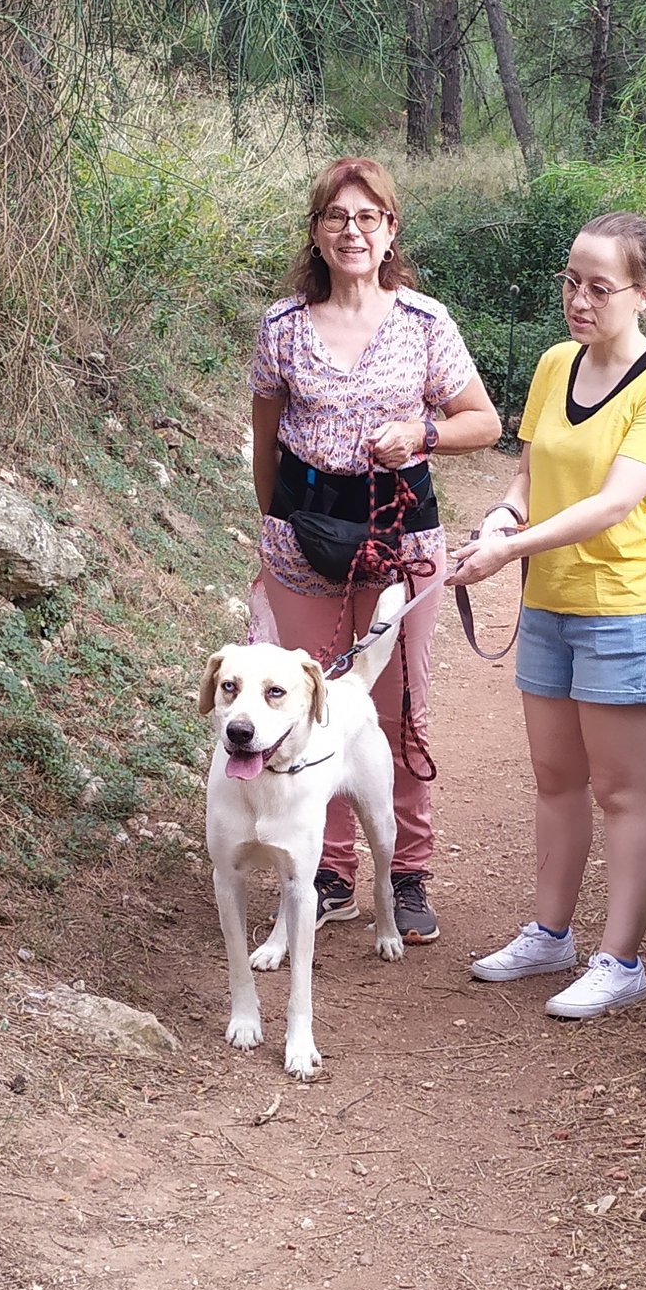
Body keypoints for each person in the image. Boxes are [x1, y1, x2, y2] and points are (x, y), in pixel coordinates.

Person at [446, 210, 646, 1019]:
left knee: (622, 792)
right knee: (555, 780)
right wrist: (500, 520)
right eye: (569, 282)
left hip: (624, 610)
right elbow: (529, 479)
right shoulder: (556, 364)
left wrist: (507, 553)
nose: (578, 301)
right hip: (550, 604)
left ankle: (620, 962)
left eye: (598, 288)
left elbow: (613, 504)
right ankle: (549, 934)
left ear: (641, 293)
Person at [250, 155, 500, 946]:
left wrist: (422, 435)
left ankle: (407, 872)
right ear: (316, 231)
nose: (351, 231)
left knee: (395, 710)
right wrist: (275, 527)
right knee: (306, 704)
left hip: (399, 539)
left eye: (367, 217)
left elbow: (483, 422)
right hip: (301, 537)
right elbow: (265, 439)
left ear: (390, 230)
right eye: (336, 216)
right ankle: (328, 873)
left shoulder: (424, 323)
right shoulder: (281, 327)